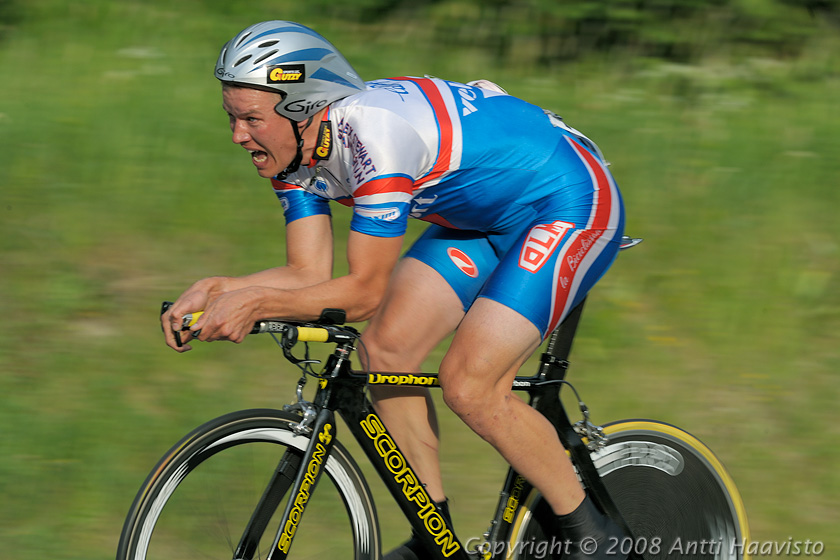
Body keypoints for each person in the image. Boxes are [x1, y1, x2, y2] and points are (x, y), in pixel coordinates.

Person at [162, 20, 626, 560]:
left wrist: (258, 302)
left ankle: (597, 539)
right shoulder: (293, 155)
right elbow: (310, 275)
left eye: (250, 119)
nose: (238, 136)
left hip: (565, 201)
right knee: (382, 351)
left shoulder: (374, 137)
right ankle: (435, 540)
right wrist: (220, 288)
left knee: (470, 385)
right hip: (479, 220)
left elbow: (364, 293)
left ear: (303, 108)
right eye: (232, 117)